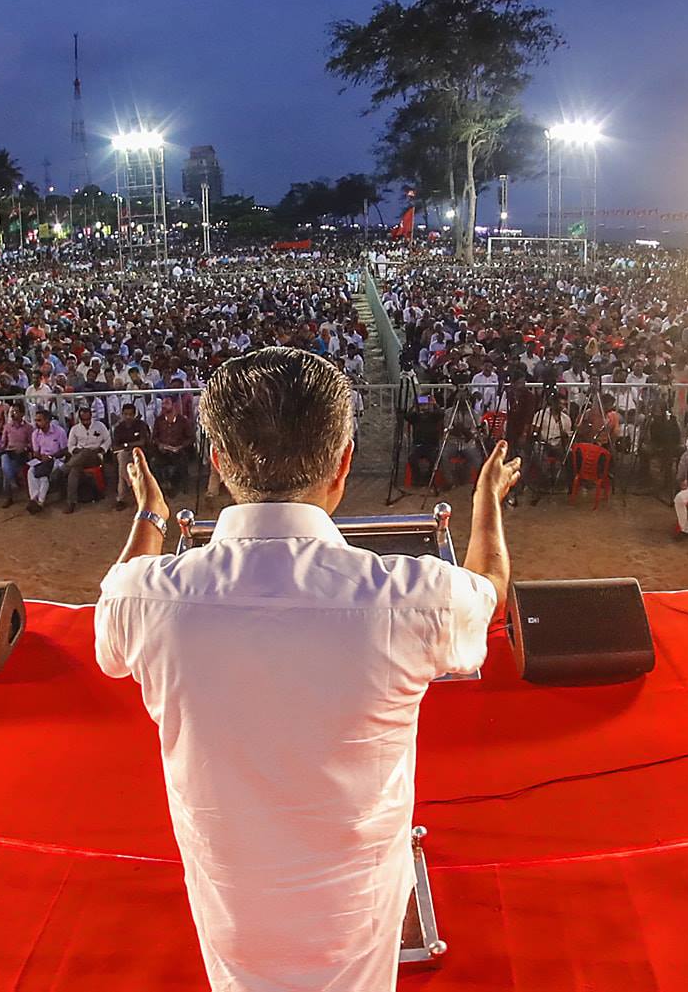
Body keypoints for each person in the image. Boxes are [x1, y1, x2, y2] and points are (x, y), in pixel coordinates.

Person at [94, 347, 513, 991]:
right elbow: (489, 590)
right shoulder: (411, 598)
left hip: (229, 906)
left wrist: (150, 515)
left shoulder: (145, 599)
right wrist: (487, 503)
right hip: (357, 909)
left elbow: (117, 603)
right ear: (343, 465)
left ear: (218, 463)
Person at [109, 402, 152, 510]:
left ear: (134, 414)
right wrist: (126, 447)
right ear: (122, 415)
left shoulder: (141, 425)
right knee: (122, 458)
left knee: (122, 467)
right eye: (126, 414)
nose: (128, 417)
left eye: (130, 414)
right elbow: (115, 446)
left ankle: (121, 498)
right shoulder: (119, 428)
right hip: (124, 453)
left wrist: (127, 445)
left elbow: (142, 442)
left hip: (140, 452)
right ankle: (132, 485)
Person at [66, 408, 111, 512]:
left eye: (88, 419)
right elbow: (70, 446)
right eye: (83, 419)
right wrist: (77, 451)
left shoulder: (100, 426)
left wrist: (102, 449)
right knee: (74, 471)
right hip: (79, 458)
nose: (86, 422)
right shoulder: (75, 429)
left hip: (95, 456)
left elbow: (108, 440)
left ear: (91, 417)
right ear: (80, 419)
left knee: (87, 452)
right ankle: (71, 502)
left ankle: (65, 468)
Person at [25, 409, 68, 514]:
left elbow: (65, 450)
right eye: (36, 420)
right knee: (30, 471)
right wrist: (41, 457)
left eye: (39, 420)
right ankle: (34, 499)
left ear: (47, 420)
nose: (37, 423)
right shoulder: (35, 434)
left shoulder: (59, 431)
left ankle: (40, 502)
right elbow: (36, 452)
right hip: (41, 459)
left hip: (56, 459)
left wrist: (50, 456)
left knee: (43, 476)